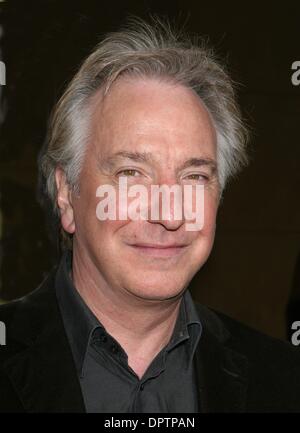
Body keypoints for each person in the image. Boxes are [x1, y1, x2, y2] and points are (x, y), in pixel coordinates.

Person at [0, 17, 300, 413]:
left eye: (194, 177)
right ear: (66, 196)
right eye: (131, 174)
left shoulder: (283, 380)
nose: (169, 214)